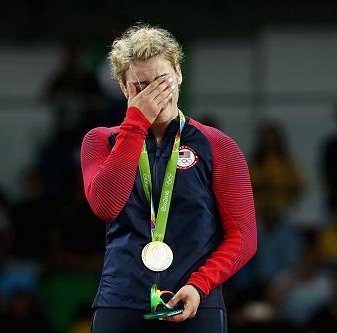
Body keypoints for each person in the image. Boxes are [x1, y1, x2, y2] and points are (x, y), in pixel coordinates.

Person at [80, 24, 257, 332]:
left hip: (195, 302)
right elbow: (105, 206)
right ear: (124, 89)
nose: (154, 94)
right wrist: (135, 123)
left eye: (162, 81)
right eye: (140, 86)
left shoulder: (218, 145)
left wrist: (200, 285)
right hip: (121, 302)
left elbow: (244, 237)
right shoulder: (101, 141)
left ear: (178, 74)